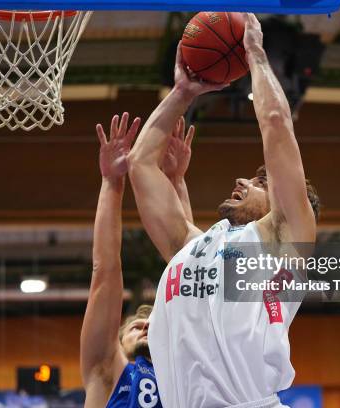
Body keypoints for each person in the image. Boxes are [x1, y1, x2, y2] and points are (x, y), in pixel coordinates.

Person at [127, 13, 321, 408]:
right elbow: (140, 165)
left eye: (260, 183)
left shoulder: (283, 241)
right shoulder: (189, 245)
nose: (243, 182)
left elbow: (274, 122)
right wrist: (182, 92)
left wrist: (255, 55)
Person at [80, 112, 196, 408]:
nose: (145, 326)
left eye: (151, 325)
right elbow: (105, 270)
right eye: (136, 326)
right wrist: (111, 183)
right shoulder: (106, 373)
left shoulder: (186, 376)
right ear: (116, 343)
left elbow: (193, 269)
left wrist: (176, 182)